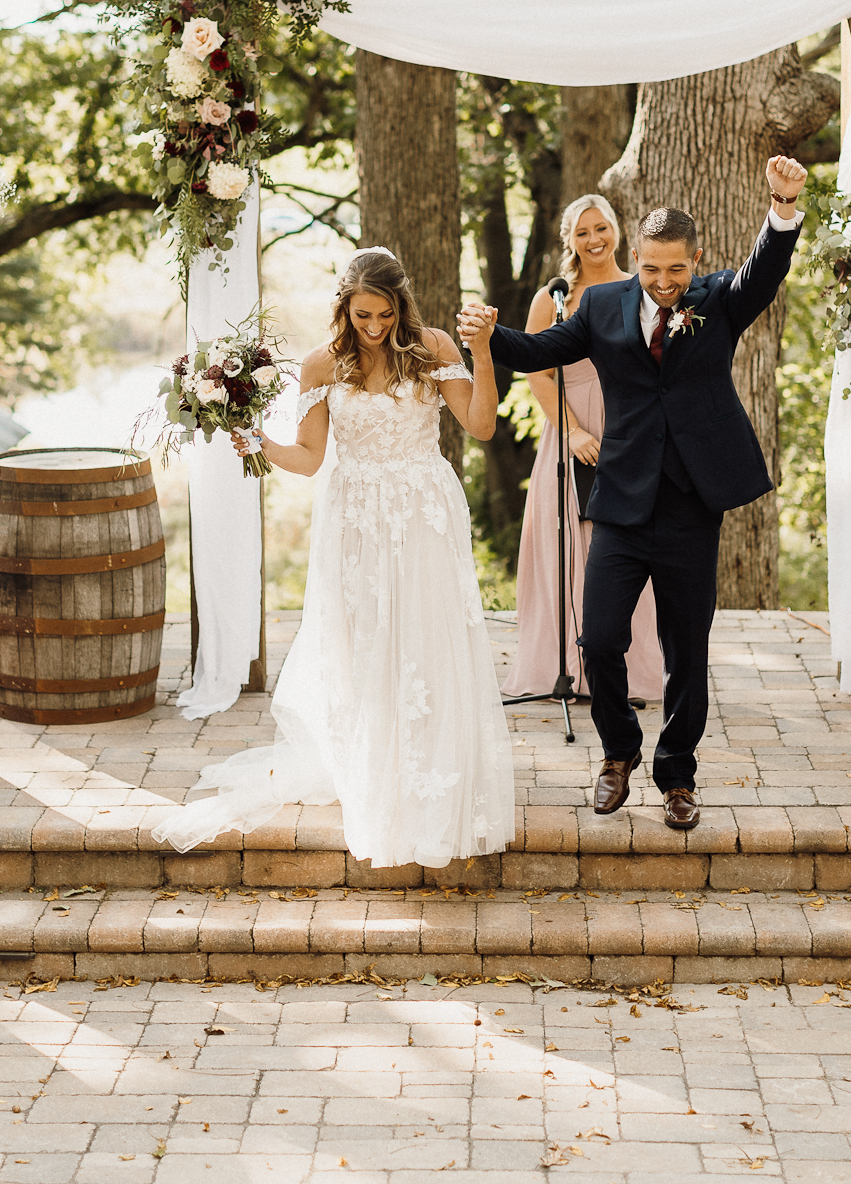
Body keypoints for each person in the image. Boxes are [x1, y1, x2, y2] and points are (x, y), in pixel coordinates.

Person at [459, 158, 806, 832]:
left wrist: (782, 207)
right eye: (651, 269)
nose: (663, 282)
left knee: (686, 651)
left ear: (693, 260)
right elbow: (540, 350)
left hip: (689, 507)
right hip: (617, 500)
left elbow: (763, 271)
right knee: (599, 640)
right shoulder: (599, 304)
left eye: (674, 269)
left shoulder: (715, 300)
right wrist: (486, 335)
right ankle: (617, 753)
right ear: (637, 260)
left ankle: (676, 775)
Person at [153, 247, 514, 870]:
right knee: (365, 643)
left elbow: (480, 427)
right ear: (343, 308)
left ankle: (432, 770)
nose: (373, 327)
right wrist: (257, 441)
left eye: (383, 314)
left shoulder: (431, 349)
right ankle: (375, 772)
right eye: (361, 314)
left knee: (426, 641)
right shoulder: (322, 363)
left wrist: (481, 352)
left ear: (401, 304)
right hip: (353, 517)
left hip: (423, 510)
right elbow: (310, 457)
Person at [503, 194, 661, 702]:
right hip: (569, 430)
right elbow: (536, 370)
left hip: (627, 431)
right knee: (566, 542)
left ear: (617, 231)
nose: (594, 240)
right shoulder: (556, 297)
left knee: (622, 545)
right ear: (569, 239)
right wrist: (573, 431)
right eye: (583, 232)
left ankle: (619, 671)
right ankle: (562, 666)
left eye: (602, 228)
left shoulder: (639, 289)